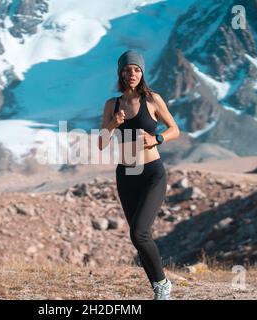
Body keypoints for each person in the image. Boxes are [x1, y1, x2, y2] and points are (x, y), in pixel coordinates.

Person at [98, 50, 180, 300]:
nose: (131, 73)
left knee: (139, 233)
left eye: (136, 69)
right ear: (120, 73)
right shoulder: (112, 104)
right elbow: (101, 143)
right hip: (126, 175)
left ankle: (163, 285)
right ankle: (159, 286)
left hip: (151, 174)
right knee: (139, 236)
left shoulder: (153, 100)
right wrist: (113, 123)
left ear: (142, 73)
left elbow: (175, 129)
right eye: (126, 69)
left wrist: (156, 138)